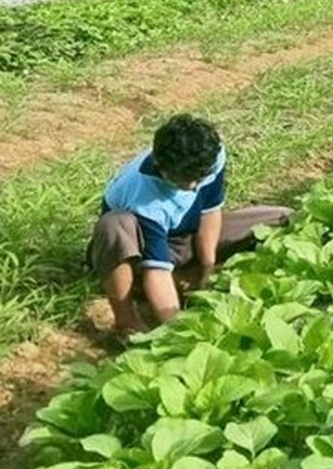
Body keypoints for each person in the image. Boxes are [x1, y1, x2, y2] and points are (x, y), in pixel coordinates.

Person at [87, 115, 292, 336]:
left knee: (281, 217)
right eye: (182, 180)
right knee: (114, 224)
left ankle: (186, 277)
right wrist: (181, 332)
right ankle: (127, 319)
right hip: (138, 252)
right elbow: (156, 269)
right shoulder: (145, 195)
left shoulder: (210, 157)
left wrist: (208, 269)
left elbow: (210, 212)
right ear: (160, 164)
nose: (194, 187)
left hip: (185, 237)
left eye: (199, 178)